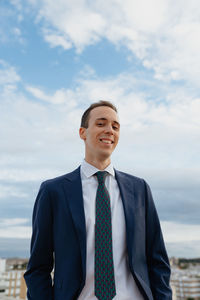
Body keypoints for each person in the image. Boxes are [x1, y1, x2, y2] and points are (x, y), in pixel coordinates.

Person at [24, 100, 172, 300]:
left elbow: (158, 261)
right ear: (82, 133)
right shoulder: (53, 191)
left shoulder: (139, 190)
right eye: (101, 123)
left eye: (115, 126)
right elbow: (38, 268)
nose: (110, 130)